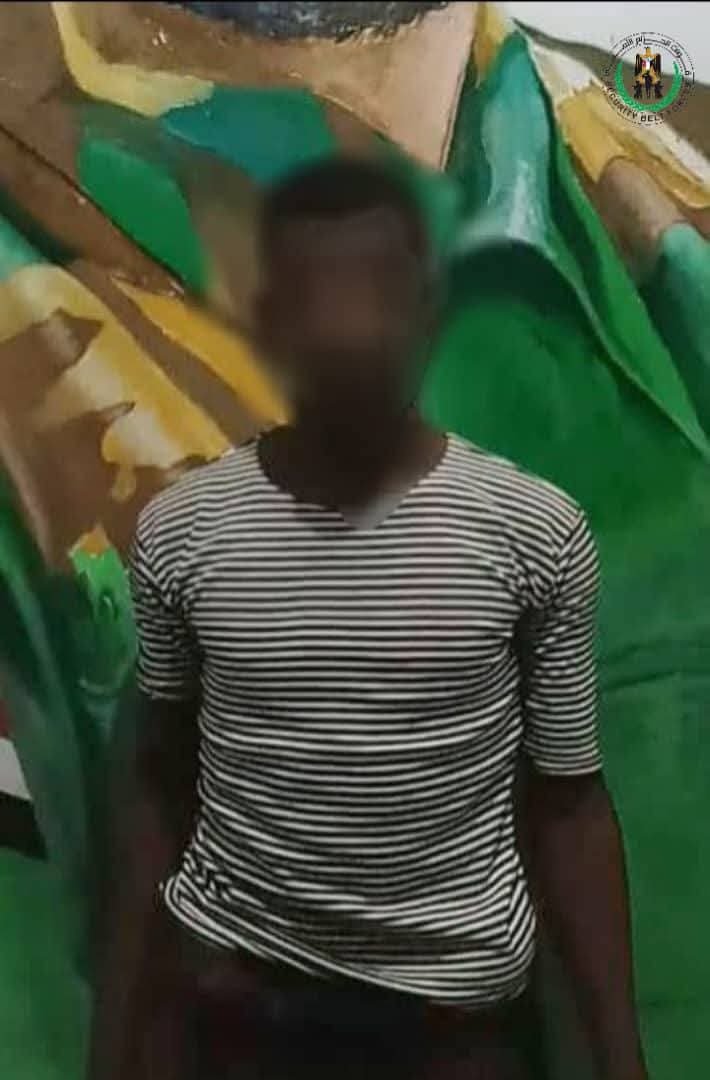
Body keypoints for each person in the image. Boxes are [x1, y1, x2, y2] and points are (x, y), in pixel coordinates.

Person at [88, 157, 648, 1080]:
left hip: (453, 1028)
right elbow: (159, 780)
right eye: (320, 297)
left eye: (378, 293)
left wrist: (623, 1064)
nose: (350, 328)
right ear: (270, 323)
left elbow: (569, 804)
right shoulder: (183, 531)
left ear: (426, 313)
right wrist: (114, 1046)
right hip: (238, 1016)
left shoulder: (533, 532)